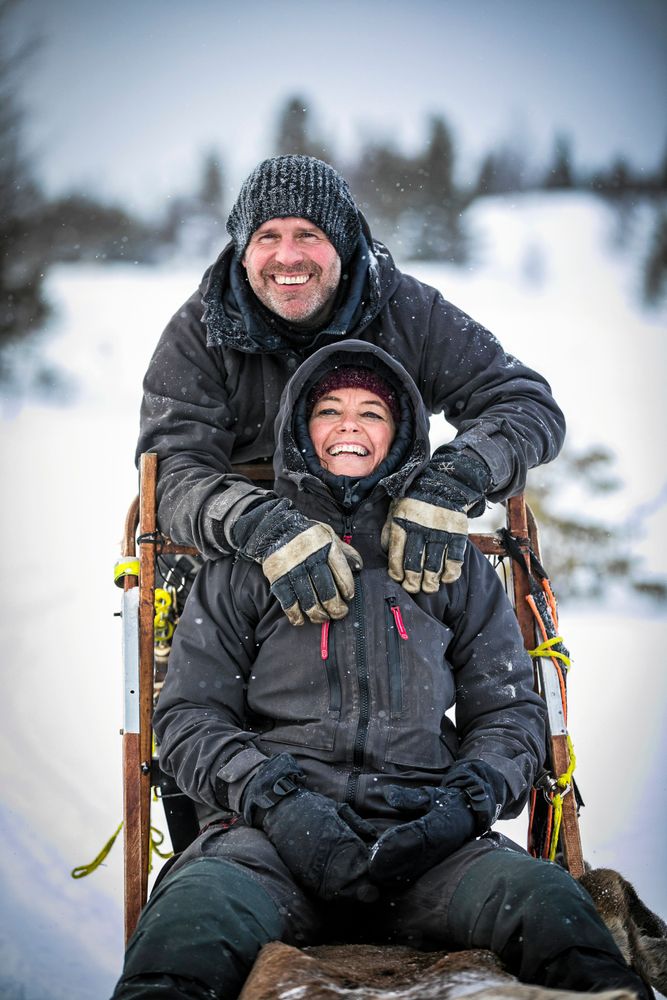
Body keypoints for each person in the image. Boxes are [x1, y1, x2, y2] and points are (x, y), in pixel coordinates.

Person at [112, 342, 648, 1000]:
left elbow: (509, 714)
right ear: (298, 431)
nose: (348, 425)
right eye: (328, 410)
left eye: (371, 413)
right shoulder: (240, 570)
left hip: (430, 846)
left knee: (547, 905)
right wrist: (282, 806)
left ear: (400, 438)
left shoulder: (456, 568)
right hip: (266, 848)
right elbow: (189, 719)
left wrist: (461, 806)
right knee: (187, 928)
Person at [136, 154, 566, 626]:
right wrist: (262, 526)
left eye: (308, 235)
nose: (288, 256)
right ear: (243, 251)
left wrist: (452, 480)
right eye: (267, 237)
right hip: (240, 571)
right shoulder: (200, 331)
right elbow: (173, 473)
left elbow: (526, 403)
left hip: (389, 556)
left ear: (341, 243)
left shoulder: (410, 313)